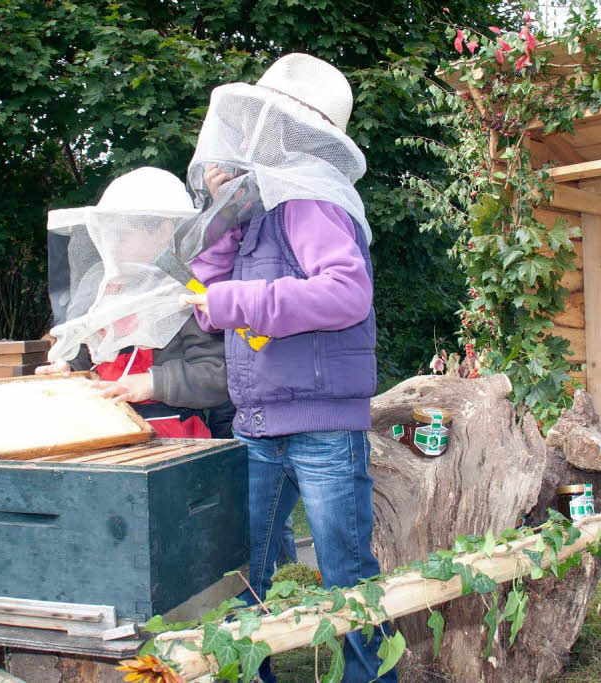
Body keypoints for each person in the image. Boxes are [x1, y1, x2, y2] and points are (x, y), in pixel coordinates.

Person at [182, 53, 393, 682]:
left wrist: (232, 301)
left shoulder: (309, 200)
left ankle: (372, 677)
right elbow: (203, 303)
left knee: (346, 574)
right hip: (257, 417)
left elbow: (346, 293)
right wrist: (224, 219)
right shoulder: (260, 204)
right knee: (241, 569)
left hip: (323, 422)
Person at [40, 167, 231, 438]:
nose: (112, 244)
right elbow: (90, 353)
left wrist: (153, 383)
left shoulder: (191, 290)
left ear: (164, 230)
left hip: (174, 443)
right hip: (101, 431)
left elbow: (218, 376)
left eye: (123, 233)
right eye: (109, 233)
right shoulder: (103, 288)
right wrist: (69, 369)